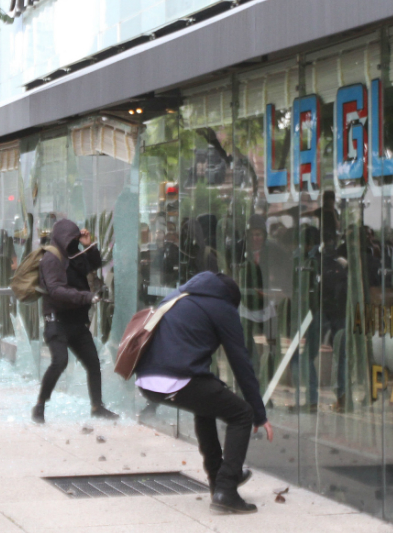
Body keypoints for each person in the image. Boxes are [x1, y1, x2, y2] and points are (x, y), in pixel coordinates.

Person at [134, 271, 272, 514]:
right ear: (232, 300)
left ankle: (219, 480)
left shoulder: (177, 296)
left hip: (146, 380)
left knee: (206, 404)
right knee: (242, 414)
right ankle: (226, 489)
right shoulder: (222, 306)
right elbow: (240, 361)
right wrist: (259, 414)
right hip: (176, 379)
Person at [31, 219, 119, 423]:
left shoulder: (73, 255)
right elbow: (56, 290)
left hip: (76, 322)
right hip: (57, 321)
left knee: (93, 362)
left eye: (75, 240)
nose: (73, 244)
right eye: (71, 240)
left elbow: (92, 265)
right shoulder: (51, 259)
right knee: (59, 361)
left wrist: (89, 246)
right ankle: (40, 405)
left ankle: (97, 406)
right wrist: (85, 297)